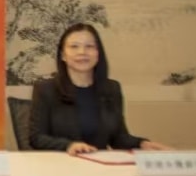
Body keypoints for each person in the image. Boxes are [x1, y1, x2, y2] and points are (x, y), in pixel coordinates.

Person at [28, 23, 169, 155]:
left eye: (89, 46)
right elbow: (36, 137)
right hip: (60, 164)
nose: (82, 52)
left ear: (98, 54)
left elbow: (118, 138)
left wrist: (142, 144)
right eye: (74, 46)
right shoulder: (45, 89)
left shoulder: (112, 89)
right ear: (63, 55)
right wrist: (68, 145)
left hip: (99, 165)